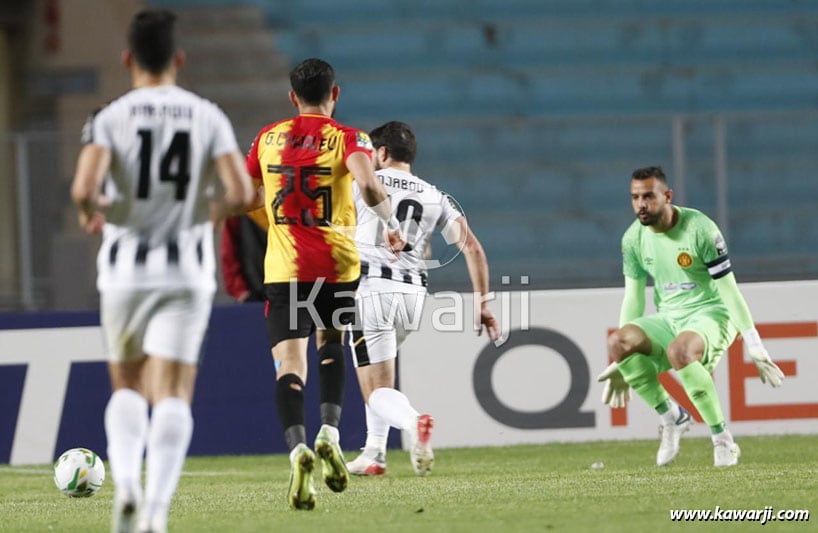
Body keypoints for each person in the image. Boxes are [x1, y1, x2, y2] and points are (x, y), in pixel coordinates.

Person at [70, 10, 254, 533]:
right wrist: (205, 212)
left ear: (128, 59)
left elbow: (84, 190)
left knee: (127, 384)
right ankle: (155, 511)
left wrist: (94, 214)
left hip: (126, 270)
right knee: (173, 392)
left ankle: (125, 482)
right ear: (179, 59)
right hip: (186, 273)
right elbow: (241, 193)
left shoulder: (111, 116)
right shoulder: (207, 115)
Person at [245, 58, 404, 510]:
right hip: (336, 265)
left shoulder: (267, 138)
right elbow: (370, 187)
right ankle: (330, 433)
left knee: (290, 365)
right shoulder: (349, 138)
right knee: (332, 344)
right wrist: (389, 222)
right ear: (335, 94)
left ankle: (298, 449)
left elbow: (245, 194)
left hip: (285, 269)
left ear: (292, 97)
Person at [598, 166, 784, 468]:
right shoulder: (633, 238)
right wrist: (623, 361)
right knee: (618, 342)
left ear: (667, 196)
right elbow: (633, 297)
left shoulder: (701, 230)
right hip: (669, 317)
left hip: (711, 314)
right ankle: (672, 417)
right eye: (635, 197)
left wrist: (753, 342)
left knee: (679, 351)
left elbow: (729, 291)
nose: (641, 205)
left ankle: (723, 440)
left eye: (648, 196)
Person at [344, 121, 500, 477]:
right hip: (414, 297)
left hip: (373, 291)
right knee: (381, 376)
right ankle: (374, 454)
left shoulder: (362, 185)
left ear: (380, 153)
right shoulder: (436, 196)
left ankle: (414, 423)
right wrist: (482, 302)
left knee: (374, 390)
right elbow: (473, 248)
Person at [220, 207, 267, 302]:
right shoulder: (240, 202)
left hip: (292, 288)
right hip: (253, 292)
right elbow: (229, 250)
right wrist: (240, 290)